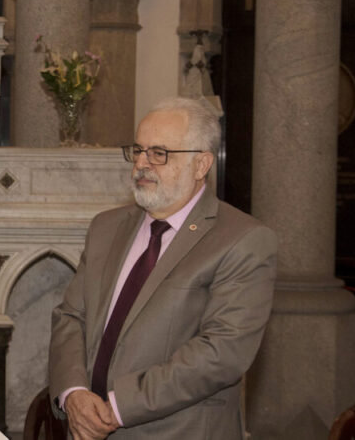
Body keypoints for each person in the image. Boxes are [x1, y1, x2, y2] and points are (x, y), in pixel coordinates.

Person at [49, 97, 277, 439]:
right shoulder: (106, 227)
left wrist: (118, 405)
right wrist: (74, 394)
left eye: (159, 153)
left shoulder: (243, 240)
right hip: (85, 428)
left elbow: (221, 352)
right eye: (137, 150)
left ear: (201, 165)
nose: (141, 164)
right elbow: (70, 317)